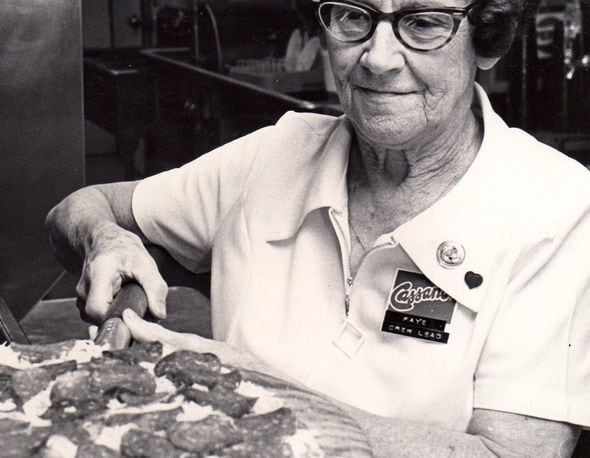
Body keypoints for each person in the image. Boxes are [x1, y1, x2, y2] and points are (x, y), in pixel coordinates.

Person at [47, 0, 590, 454]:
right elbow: (84, 205)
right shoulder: (274, 154)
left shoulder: (557, 207)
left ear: (488, 42)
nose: (377, 59)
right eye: (355, 17)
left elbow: (512, 453)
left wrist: (249, 388)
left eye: (423, 23)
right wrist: (107, 238)